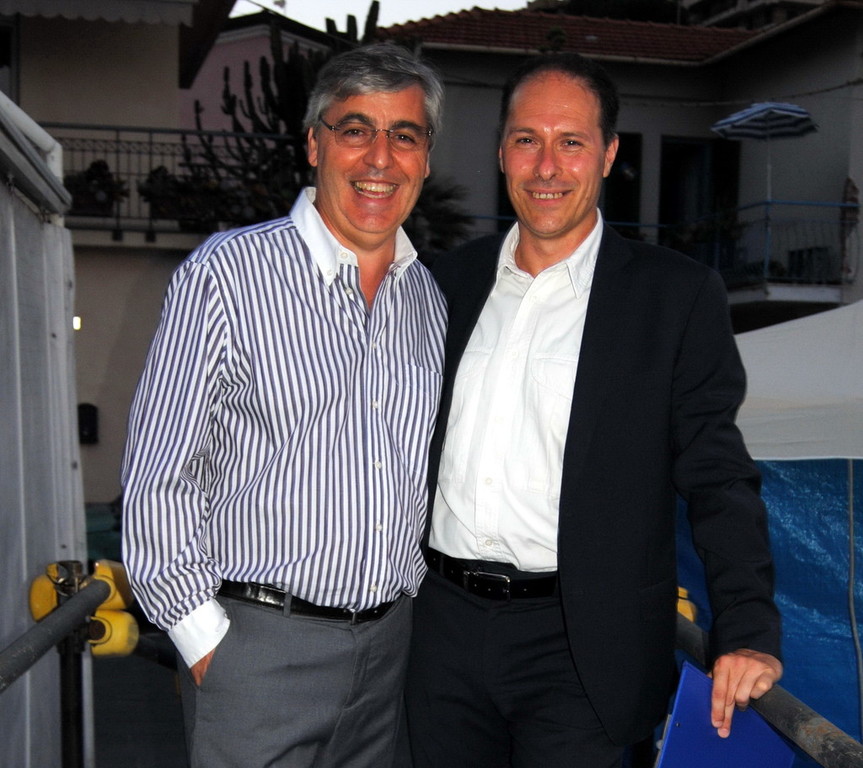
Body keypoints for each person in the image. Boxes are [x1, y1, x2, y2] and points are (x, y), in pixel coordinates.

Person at [405, 53, 782, 768]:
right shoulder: (441, 284)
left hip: (584, 648)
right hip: (440, 633)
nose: (546, 166)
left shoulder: (674, 297)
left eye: (570, 141)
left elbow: (718, 476)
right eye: (527, 139)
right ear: (501, 151)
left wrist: (747, 631)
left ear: (608, 154)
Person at [121, 42, 446, 768]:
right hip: (256, 652)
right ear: (314, 144)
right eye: (355, 129)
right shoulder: (227, 275)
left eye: (404, 135)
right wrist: (203, 641)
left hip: (388, 655)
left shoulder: (426, 299)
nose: (379, 158)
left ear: (425, 158)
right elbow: (159, 475)